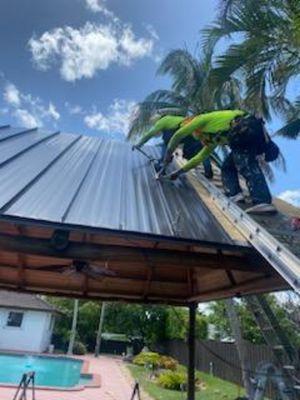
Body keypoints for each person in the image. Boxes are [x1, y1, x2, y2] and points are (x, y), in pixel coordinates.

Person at [162, 109, 277, 214]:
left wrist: (168, 154)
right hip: (247, 135)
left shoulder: (201, 119)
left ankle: (262, 201)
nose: (195, 137)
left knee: (246, 165)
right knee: (227, 167)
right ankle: (235, 194)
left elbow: (178, 135)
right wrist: (178, 172)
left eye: (194, 133)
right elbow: (199, 158)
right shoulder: (212, 139)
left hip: (246, 130)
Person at [133, 112, 213, 178]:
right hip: (193, 132)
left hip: (182, 131)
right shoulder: (172, 118)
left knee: (166, 142)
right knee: (199, 151)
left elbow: (150, 134)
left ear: (157, 121)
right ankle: (208, 172)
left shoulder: (162, 121)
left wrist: (139, 144)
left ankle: (162, 165)